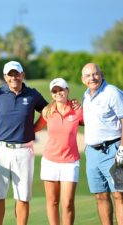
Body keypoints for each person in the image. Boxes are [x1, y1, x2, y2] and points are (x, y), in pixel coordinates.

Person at [0, 61, 48, 225]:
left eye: (17, 74)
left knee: (23, 196)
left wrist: (35, 128)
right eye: (10, 75)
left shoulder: (32, 94)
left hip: (24, 151)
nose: (14, 77)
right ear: (5, 77)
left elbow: (48, 111)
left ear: (22, 75)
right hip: (0, 150)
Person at [34, 78, 83, 225]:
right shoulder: (48, 111)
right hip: (50, 162)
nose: (58, 93)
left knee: (67, 202)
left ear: (67, 90)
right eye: (54, 91)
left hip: (70, 162)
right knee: (53, 202)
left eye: (61, 89)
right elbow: (33, 129)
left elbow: (92, 124)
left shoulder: (77, 110)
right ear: (51, 94)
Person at [81, 63, 123, 225]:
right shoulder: (86, 96)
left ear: (102, 74)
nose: (92, 78)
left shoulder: (112, 92)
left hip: (114, 149)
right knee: (100, 195)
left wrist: (122, 148)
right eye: (88, 75)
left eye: (95, 74)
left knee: (119, 195)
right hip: (92, 152)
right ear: (83, 80)